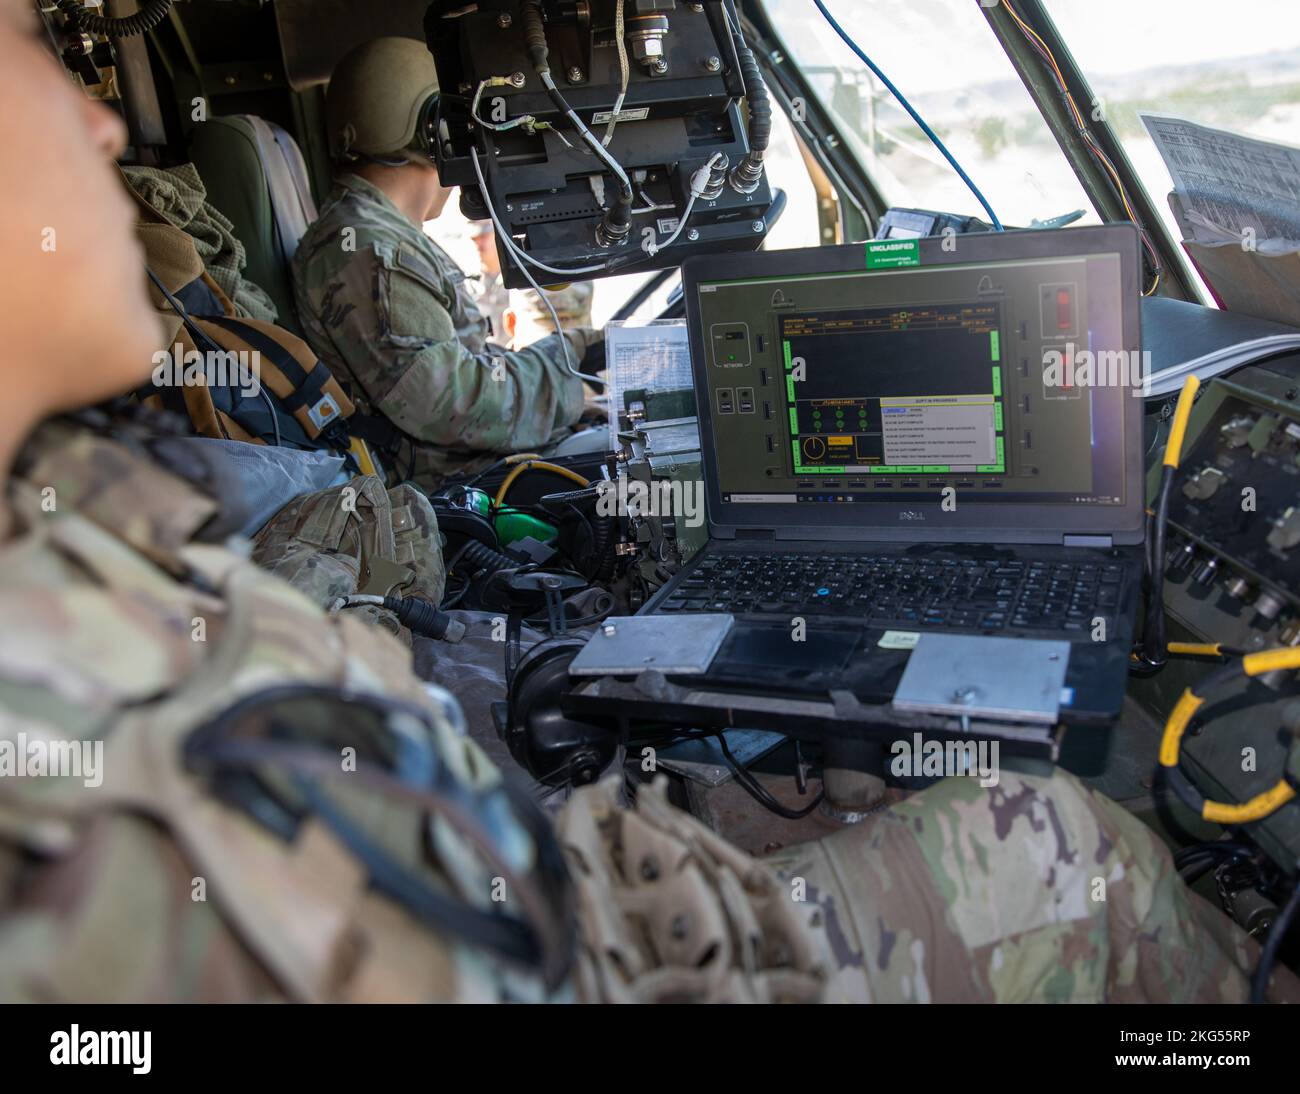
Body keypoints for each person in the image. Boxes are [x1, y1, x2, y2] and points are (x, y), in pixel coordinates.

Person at [0, 2, 1294, 1004]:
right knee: (1073, 826)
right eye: (24, 43)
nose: (105, 127)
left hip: (530, 871)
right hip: (602, 947)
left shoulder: (67, 564)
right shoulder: (72, 685)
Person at [292, 37, 603, 492]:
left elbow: (461, 370)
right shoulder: (371, 249)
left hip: (483, 467)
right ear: (431, 128)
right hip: (463, 489)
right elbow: (448, 404)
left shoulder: (379, 234)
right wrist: (566, 385)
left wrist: (572, 354)